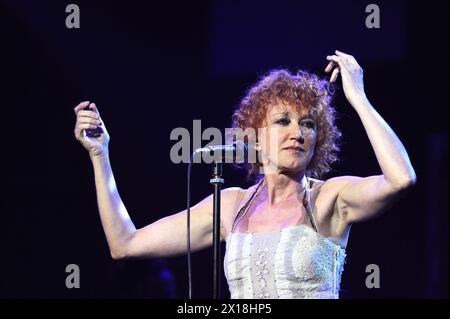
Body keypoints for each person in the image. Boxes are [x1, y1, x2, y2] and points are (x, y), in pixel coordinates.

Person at [73, 50, 416, 299]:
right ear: (255, 133)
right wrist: (101, 155)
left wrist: (359, 99)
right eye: (283, 121)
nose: (298, 132)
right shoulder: (230, 206)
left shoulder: (329, 198)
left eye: (308, 124)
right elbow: (124, 244)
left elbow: (401, 179)